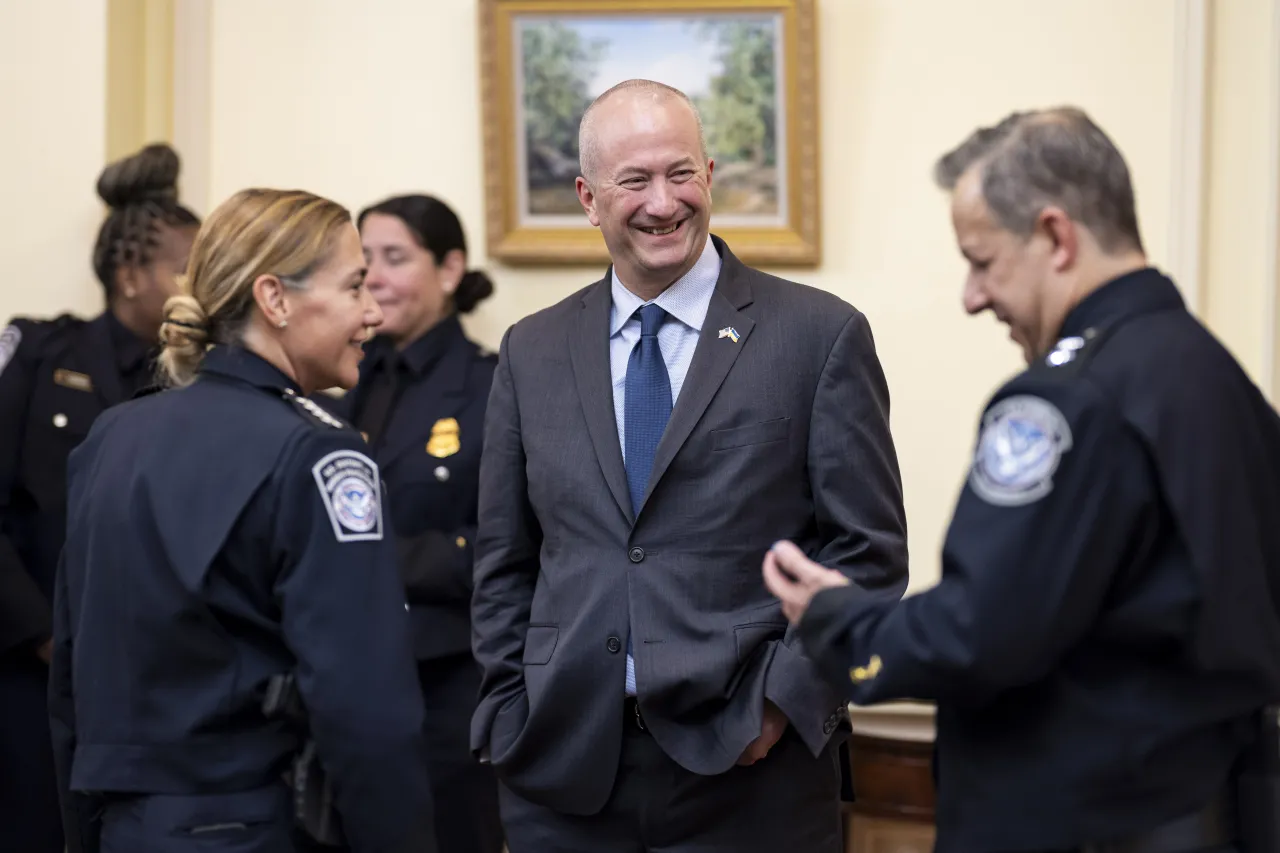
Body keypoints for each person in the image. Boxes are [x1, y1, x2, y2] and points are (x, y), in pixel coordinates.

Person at [764, 107, 1280, 853]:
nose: (973, 296)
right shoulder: (1212, 373)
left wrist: (839, 621)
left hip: (1083, 818)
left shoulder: (1064, 399)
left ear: (1056, 237)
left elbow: (982, 632)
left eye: (982, 260)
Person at [470, 78, 909, 853]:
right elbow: (507, 561)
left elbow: (866, 555)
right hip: (564, 775)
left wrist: (781, 705)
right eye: (634, 180)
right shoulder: (529, 351)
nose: (663, 202)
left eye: (681, 173)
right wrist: (510, 706)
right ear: (587, 197)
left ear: (710, 176)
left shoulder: (818, 337)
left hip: (750, 777)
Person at [47, 188, 437, 853]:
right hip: (246, 827)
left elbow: (72, 679)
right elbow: (364, 707)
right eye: (353, 286)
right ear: (275, 299)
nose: (372, 312)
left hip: (123, 827)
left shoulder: (113, 435)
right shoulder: (319, 453)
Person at [0, 142, 199, 853]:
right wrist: (40, 631)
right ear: (130, 273)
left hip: (154, 675)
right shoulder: (40, 355)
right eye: (184, 267)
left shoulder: (198, 381)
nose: (196, 285)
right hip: (32, 667)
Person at [323, 193, 502, 853]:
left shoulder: (492, 386)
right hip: (345, 680)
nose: (374, 276)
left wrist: (379, 559)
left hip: (446, 687)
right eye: (363, 259)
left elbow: (511, 546)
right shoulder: (339, 376)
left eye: (394, 258)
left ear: (449, 269)